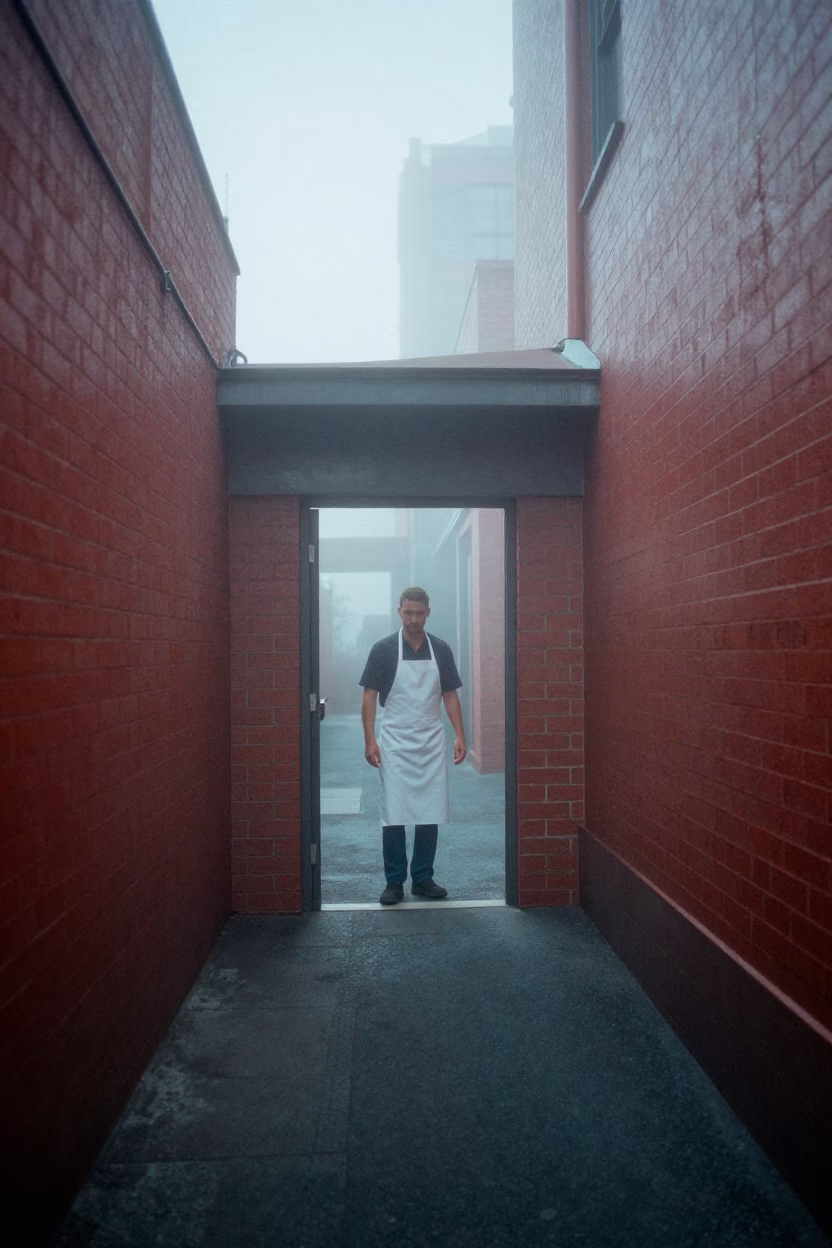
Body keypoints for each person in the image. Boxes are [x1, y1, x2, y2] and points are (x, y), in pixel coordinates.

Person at [359, 587, 467, 905]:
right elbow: (368, 696)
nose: (414, 619)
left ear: (428, 612)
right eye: (408, 613)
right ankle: (394, 882)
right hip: (394, 741)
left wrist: (460, 735)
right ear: (399, 611)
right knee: (394, 812)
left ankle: (423, 877)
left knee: (429, 809)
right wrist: (369, 740)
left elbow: (449, 694)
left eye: (419, 613)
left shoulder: (442, 650)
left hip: (431, 741)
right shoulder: (383, 650)